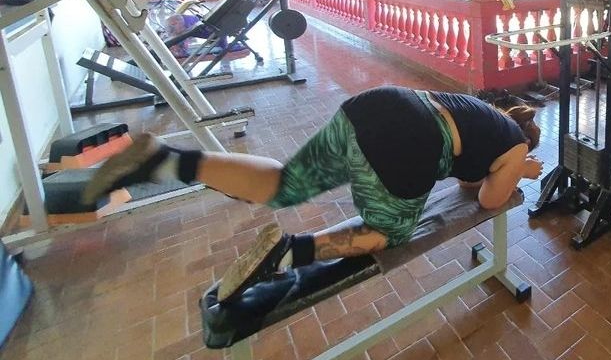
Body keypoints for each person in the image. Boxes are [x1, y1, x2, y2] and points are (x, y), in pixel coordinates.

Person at [83, 86, 544, 302]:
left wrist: (496, 166)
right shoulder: (516, 144)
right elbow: (488, 200)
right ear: (527, 138)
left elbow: (468, 179)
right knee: (391, 234)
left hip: (381, 103)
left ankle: (164, 160)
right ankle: (285, 254)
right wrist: (519, 169)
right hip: (414, 139)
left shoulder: (485, 112)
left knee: (285, 183)